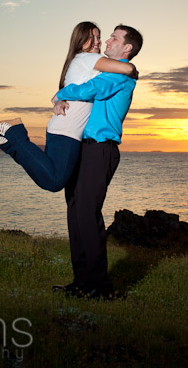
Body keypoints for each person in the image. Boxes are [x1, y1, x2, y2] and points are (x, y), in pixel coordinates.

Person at [0, 21, 137, 192]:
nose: (97, 41)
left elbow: (70, 89)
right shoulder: (90, 58)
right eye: (91, 37)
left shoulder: (79, 60)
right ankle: (13, 133)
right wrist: (132, 69)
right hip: (68, 129)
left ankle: (7, 142)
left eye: (98, 37)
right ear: (79, 40)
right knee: (54, 181)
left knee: (47, 172)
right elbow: (125, 68)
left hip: (63, 126)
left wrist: (59, 98)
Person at [52, 24, 143, 300]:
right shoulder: (110, 69)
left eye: (115, 38)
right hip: (85, 148)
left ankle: (100, 287)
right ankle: (81, 282)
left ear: (126, 48)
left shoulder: (120, 75)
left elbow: (90, 89)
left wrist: (60, 94)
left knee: (88, 215)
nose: (107, 41)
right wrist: (58, 98)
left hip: (101, 150)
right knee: (75, 212)